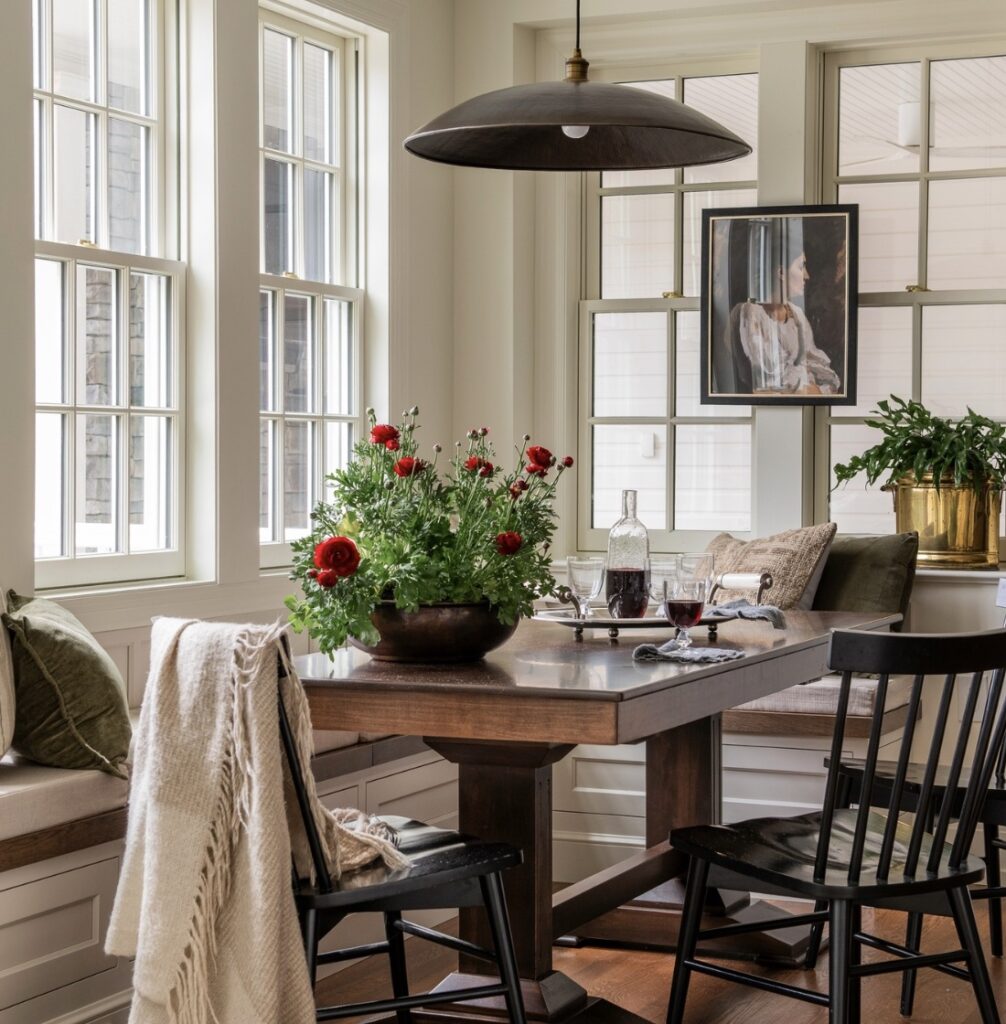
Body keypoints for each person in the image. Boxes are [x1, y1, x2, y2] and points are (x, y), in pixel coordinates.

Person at [718, 217, 842, 396]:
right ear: (781, 272)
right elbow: (770, 378)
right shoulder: (750, 312)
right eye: (801, 267)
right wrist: (807, 385)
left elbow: (820, 367)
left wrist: (815, 388)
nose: (806, 276)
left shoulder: (797, 314)